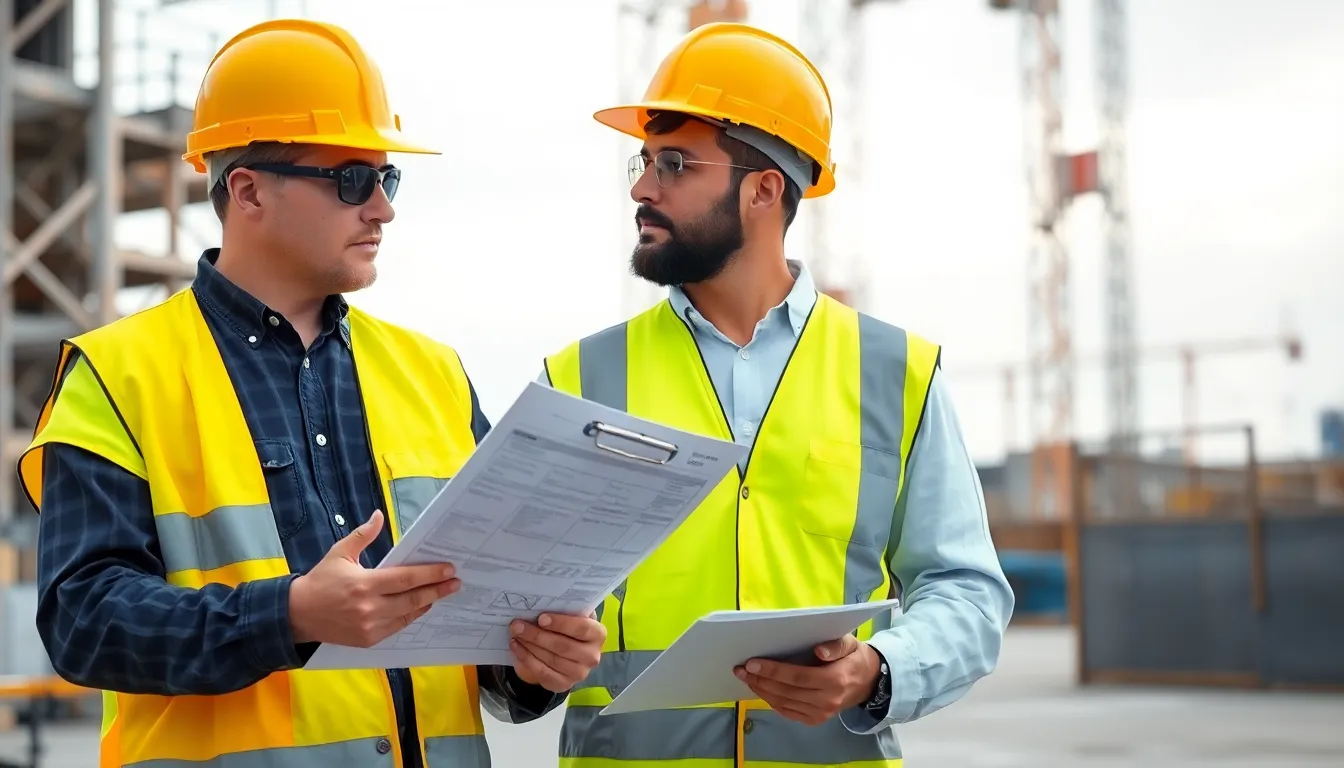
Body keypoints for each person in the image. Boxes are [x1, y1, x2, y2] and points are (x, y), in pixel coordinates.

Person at [18, 18, 603, 768]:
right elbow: (83, 622)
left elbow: (483, 621)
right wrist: (287, 614)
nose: (382, 208)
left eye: (388, 179)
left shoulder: (433, 374)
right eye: (352, 179)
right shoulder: (119, 373)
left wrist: (536, 663)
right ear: (248, 190)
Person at [539, 22, 1015, 766]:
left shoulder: (899, 373)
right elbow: (512, 605)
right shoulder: (578, 378)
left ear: (763, 190)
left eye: (674, 164)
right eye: (644, 161)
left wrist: (877, 668)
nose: (641, 188)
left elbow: (965, 589)